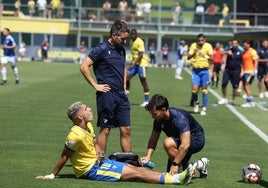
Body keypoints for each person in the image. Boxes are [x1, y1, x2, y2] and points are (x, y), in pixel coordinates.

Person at [35, 101, 195, 184]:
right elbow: (64, 156)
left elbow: (95, 143)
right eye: (86, 109)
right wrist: (52, 175)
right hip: (90, 170)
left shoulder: (88, 125)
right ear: (79, 117)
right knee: (137, 173)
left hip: (98, 163)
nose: (90, 109)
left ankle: (171, 176)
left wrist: (100, 154)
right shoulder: (74, 135)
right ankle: (175, 179)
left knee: (135, 168)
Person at [80, 20, 131, 153]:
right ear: (114, 35)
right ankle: (100, 163)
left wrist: (124, 85)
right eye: (123, 38)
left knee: (126, 129)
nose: (125, 41)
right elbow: (84, 66)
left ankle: (130, 163)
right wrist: (95, 85)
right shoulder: (101, 49)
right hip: (107, 95)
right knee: (106, 129)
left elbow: (123, 66)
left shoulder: (122, 50)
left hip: (121, 95)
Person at [141, 94, 208, 178]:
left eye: (155, 114)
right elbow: (153, 139)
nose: (152, 117)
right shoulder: (158, 119)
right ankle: (200, 164)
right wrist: (148, 156)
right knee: (170, 173)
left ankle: (181, 173)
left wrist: (175, 164)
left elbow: (186, 143)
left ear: (163, 109)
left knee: (168, 142)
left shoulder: (179, 118)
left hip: (196, 139)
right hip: (180, 140)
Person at [187, 33, 213, 115]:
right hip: (195, 71)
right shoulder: (193, 46)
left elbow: (212, 58)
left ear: (204, 40)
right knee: (194, 90)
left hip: (204, 71)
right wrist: (193, 53)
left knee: (204, 90)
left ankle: (204, 108)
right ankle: (197, 103)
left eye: (202, 40)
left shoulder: (208, 46)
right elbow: (188, 56)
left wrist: (204, 56)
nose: (200, 42)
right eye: (199, 40)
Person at [126, 29, 150, 107]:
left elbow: (141, 55)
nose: (132, 36)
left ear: (136, 35)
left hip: (142, 64)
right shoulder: (131, 42)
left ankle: (147, 101)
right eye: (131, 34)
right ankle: (126, 98)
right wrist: (133, 63)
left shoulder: (140, 42)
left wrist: (134, 63)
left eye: (134, 34)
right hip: (135, 64)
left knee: (143, 81)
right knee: (126, 78)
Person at [218, 39, 243, 105]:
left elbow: (243, 63)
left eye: (235, 43)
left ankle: (232, 100)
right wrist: (226, 52)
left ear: (237, 44)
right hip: (228, 69)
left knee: (235, 86)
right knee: (224, 83)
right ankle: (224, 98)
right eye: (233, 43)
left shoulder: (240, 52)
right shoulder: (229, 49)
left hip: (236, 70)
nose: (234, 45)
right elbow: (220, 53)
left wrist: (242, 72)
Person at [241, 39, 258, 108]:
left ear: (249, 45)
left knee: (247, 86)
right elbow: (243, 63)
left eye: (245, 45)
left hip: (250, 71)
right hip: (245, 71)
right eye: (243, 45)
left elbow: (256, 61)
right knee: (245, 87)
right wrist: (242, 71)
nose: (244, 46)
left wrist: (254, 71)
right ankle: (251, 101)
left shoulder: (252, 51)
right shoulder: (243, 52)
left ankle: (249, 102)